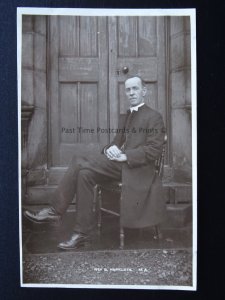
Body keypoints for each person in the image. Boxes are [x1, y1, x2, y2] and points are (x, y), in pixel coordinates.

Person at [24, 75, 166, 250]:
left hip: (138, 170)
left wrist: (125, 156)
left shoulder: (154, 117)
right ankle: (81, 233)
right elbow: (115, 142)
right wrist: (110, 150)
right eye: (128, 90)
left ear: (144, 91)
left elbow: (154, 150)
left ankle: (54, 211)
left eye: (135, 89)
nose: (131, 93)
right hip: (120, 166)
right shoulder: (126, 116)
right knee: (85, 174)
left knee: (78, 159)